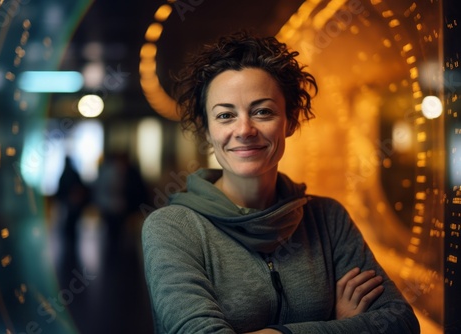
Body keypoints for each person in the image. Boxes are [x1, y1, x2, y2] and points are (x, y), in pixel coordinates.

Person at [141, 31, 420, 334]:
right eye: (225, 115)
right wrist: (337, 327)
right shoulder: (173, 228)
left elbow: (400, 322)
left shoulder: (328, 219)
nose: (244, 130)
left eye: (263, 111)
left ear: (290, 121)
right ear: (207, 132)